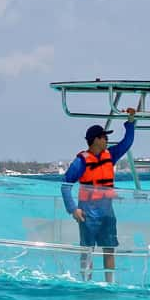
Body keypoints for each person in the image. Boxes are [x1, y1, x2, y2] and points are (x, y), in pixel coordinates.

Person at [61, 107, 137, 282]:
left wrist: (131, 121)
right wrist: (73, 209)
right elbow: (65, 186)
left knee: (109, 248)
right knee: (87, 250)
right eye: (104, 137)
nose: (107, 139)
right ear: (95, 140)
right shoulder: (81, 162)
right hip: (87, 214)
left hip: (107, 214)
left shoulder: (110, 155)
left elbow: (127, 142)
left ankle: (110, 282)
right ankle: (86, 282)